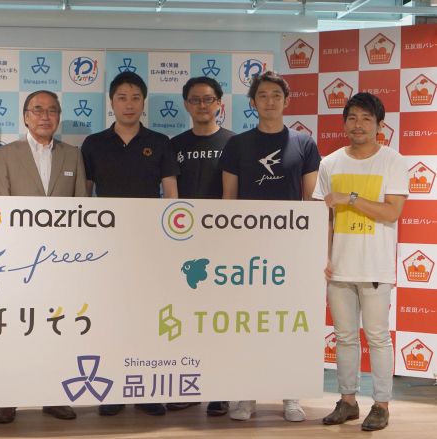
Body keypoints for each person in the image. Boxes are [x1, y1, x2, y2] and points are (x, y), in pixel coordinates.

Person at [221, 70, 321, 422]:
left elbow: (311, 201)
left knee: (288, 322)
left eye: (276, 95)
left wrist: (309, 248)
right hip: (247, 251)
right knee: (247, 323)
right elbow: (229, 200)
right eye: (262, 95)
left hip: (289, 250)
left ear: (286, 101)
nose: (269, 101)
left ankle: (290, 395)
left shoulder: (304, 144)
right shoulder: (237, 145)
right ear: (252, 102)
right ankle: (245, 395)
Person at [82, 71, 179, 417]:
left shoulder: (160, 141)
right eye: (122, 97)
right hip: (107, 245)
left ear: (143, 102)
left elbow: (171, 195)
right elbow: (84, 196)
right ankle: (112, 390)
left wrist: (167, 239)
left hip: (149, 244)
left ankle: (146, 388)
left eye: (136, 97)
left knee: (146, 316)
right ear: (111, 102)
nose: (129, 104)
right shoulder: (94, 143)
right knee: (110, 316)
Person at [0, 90, 86, 423]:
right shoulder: (5, 154)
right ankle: (8, 398)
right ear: (26, 116)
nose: (45, 116)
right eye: (38, 110)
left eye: (52, 110)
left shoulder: (73, 155)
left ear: (59, 116)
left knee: (57, 328)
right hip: (18, 260)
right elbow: (0, 207)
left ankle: (53, 396)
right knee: (15, 328)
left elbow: (81, 208)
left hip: (61, 261)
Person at [314, 93, 407, 431]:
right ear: (344, 123)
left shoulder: (393, 161)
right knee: (344, 337)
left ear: (380, 125)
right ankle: (347, 401)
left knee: (378, 337)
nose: (359, 125)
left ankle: (381, 404)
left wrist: (350, 198)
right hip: (339, 267)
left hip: (375, 266)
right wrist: (323, 256)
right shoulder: (330, 163)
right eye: (352, 117)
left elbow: (391, 211)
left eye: (367, 118)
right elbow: (323, 217)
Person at [165, 76, 234, 416]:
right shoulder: (174, 144)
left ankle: (220, 390)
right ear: (186, 105)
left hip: (223, 245)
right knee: (187, 319)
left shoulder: (234, 143)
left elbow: (234, 196)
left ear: (220, 103)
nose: (202, 105)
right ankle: (189, 386)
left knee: (219, 320)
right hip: (184, 246)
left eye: (208, 99)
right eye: (195, 99)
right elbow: (170, 197)